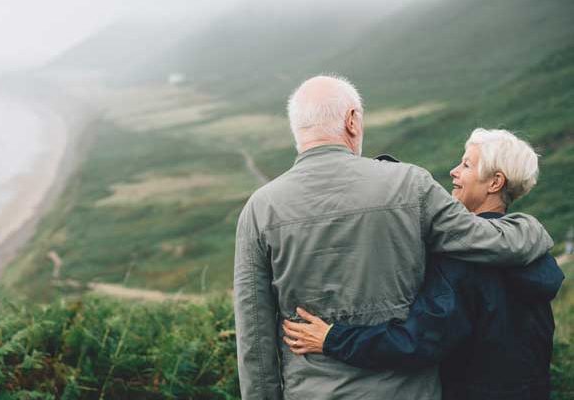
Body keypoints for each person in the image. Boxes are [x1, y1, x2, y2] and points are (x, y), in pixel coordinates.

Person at [233, 75, 554, 400]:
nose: (456, 172)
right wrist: (531, 229)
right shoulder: (411, 185)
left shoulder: (259, 209)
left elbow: (254, 339)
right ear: (352, 120)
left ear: (297, 129)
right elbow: (488, 241)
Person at [281, 129, 565, 399]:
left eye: (466, 165)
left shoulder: (464, 261)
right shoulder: (532, 253)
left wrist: (332, 339)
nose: (454, 171)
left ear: (495, 183)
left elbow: (417, 342)